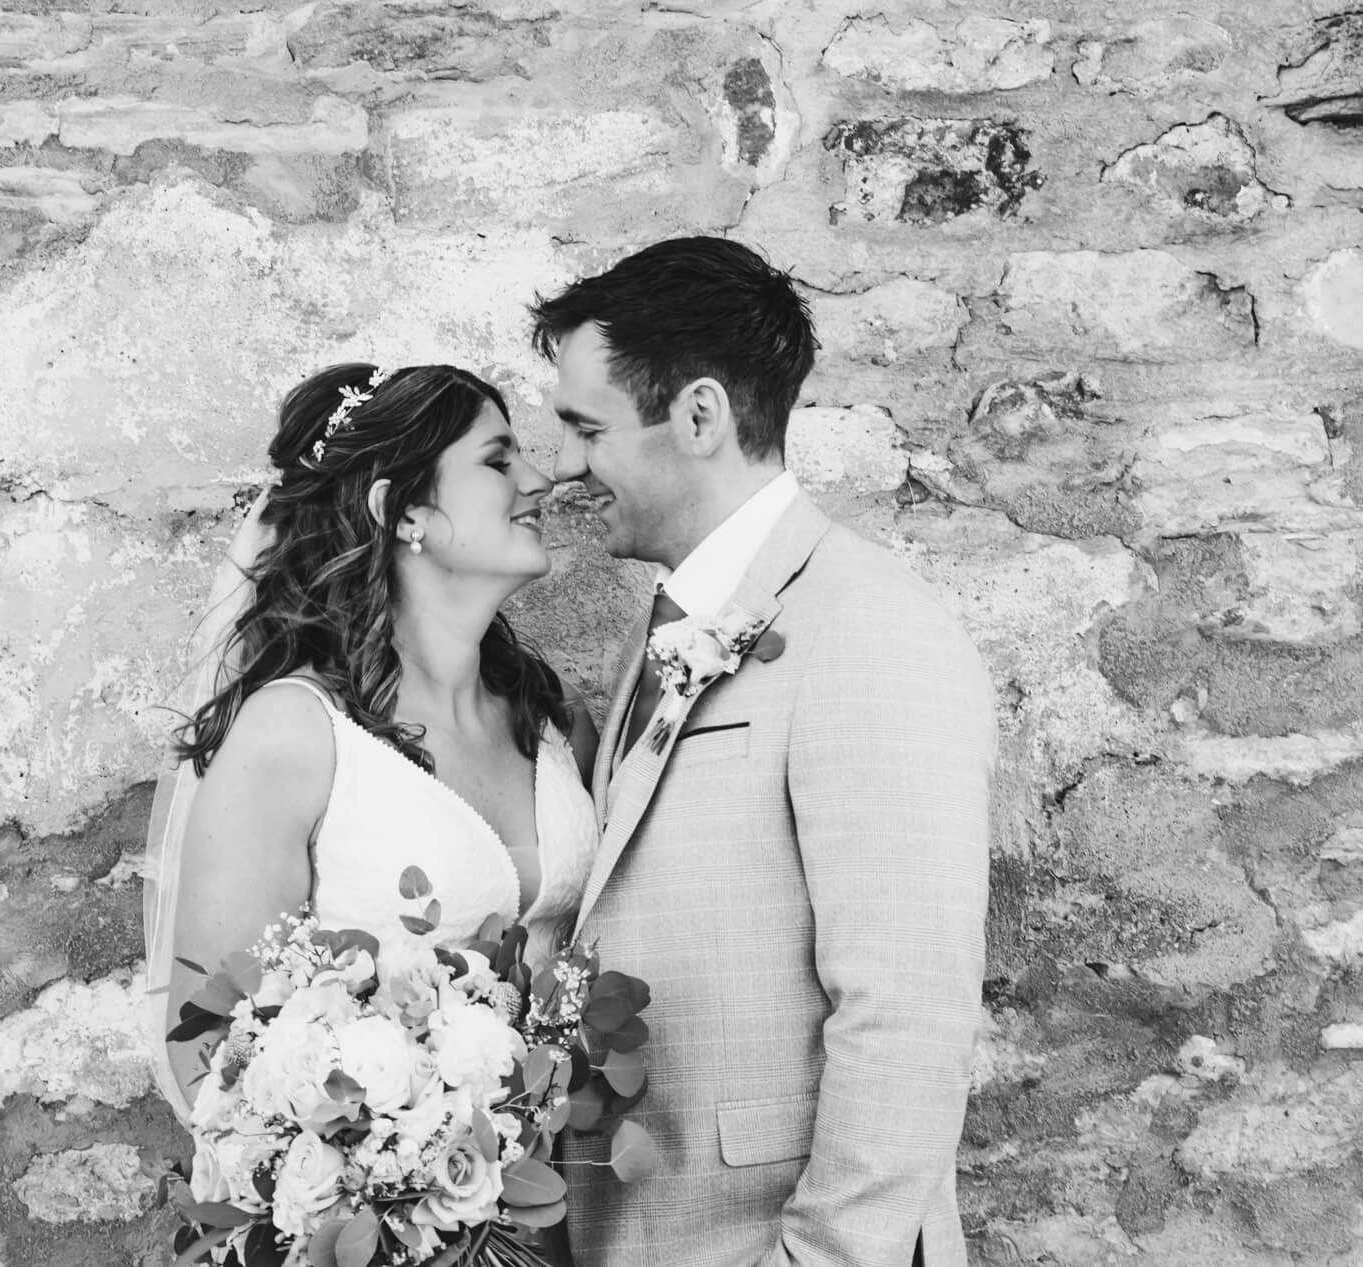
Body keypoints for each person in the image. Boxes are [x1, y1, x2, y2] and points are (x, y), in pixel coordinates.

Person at [531, 238, 996, 1267]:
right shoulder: (662, 626)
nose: (562, 464)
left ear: (698, 416)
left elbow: (907, 1009)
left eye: (586, 428)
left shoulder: (867, 626)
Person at [141, 363, 601, 1120]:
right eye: (498, 461)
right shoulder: (296, 737)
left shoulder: (554, 720)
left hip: (572, 1183)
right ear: (402, 509)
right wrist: (382, 1166)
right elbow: (208, 1049)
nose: (540, 479)